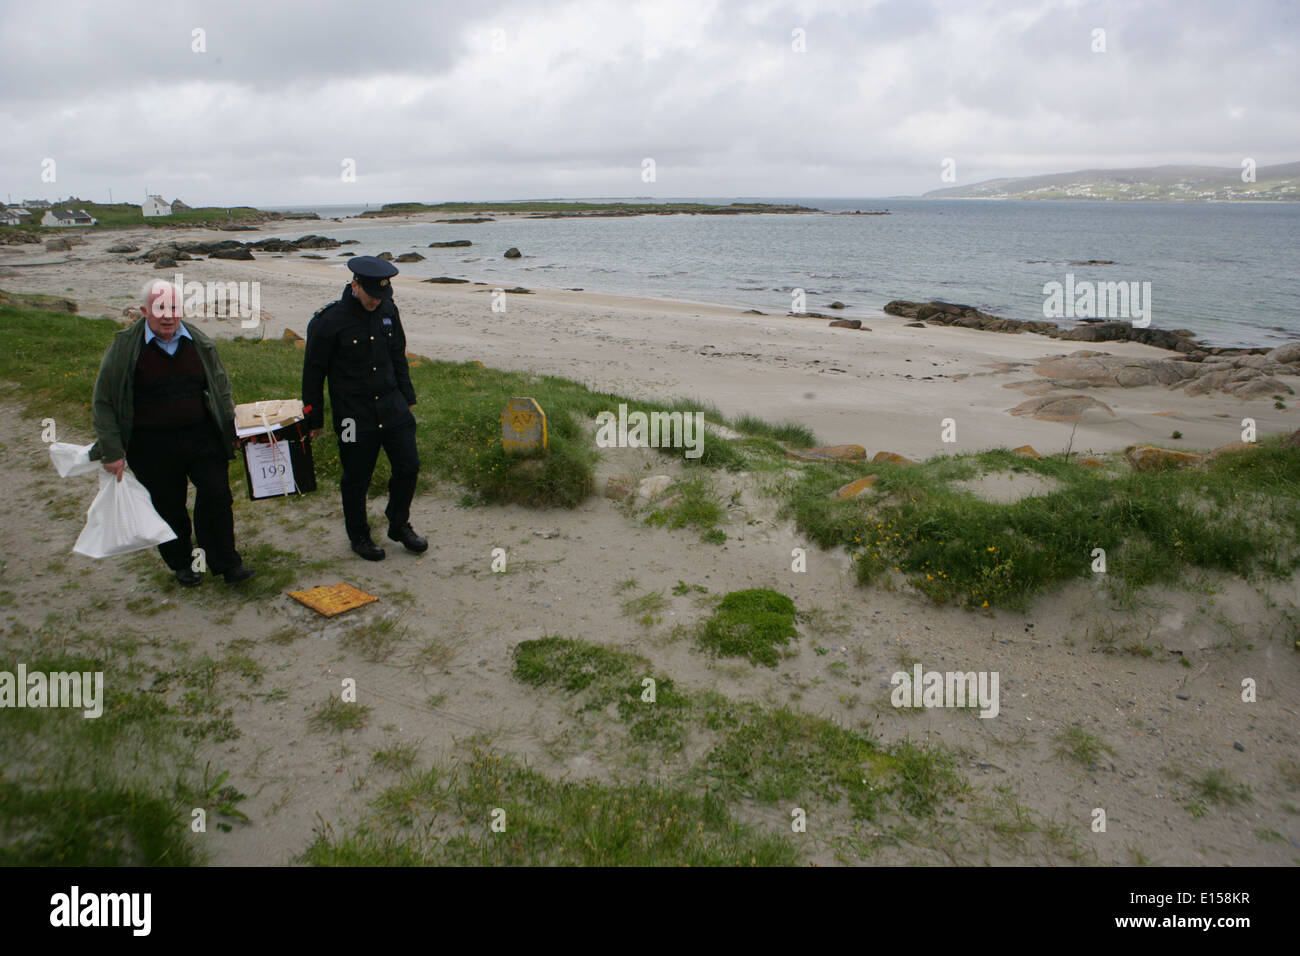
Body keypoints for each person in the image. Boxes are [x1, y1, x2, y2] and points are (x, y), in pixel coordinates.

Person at [90, 280, 255, 586]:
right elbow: (104, 401)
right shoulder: (126, 347)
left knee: (217, 497)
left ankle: (226, 563)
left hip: (202, 436)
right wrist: (112, 451)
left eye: (174, 308)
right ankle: (181, 563)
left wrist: (230, 428)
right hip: (151, 444)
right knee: (168, 506)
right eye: (159, 308)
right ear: (144, 311)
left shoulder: (199, 342)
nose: (167, 316)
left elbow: (221, 388)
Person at [302, 256, 426, 561]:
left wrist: (407, 396)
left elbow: (398, 353)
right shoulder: (327, 321)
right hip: (352, 416)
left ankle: (398, 523)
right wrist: (313, 418)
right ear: (355, 285)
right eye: (372, 295)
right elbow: (313, 373)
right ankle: (359, 535)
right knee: (356, 477)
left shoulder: (387, 309)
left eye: (382, 296)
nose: (376, 301)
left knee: (408, 466)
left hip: (392, 405)